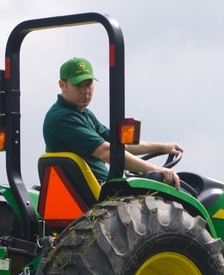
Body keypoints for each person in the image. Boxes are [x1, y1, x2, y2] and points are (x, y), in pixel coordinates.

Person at [43, 57, 182, 188]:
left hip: (98, 188)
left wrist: (163, 147)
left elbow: (119, 145)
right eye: (79, 85)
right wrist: (156, 169)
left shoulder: (83, 114)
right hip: (90, 193)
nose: (85, 91)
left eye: (88, 84)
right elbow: (106, 152)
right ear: (63, 85)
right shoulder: (63, 118)